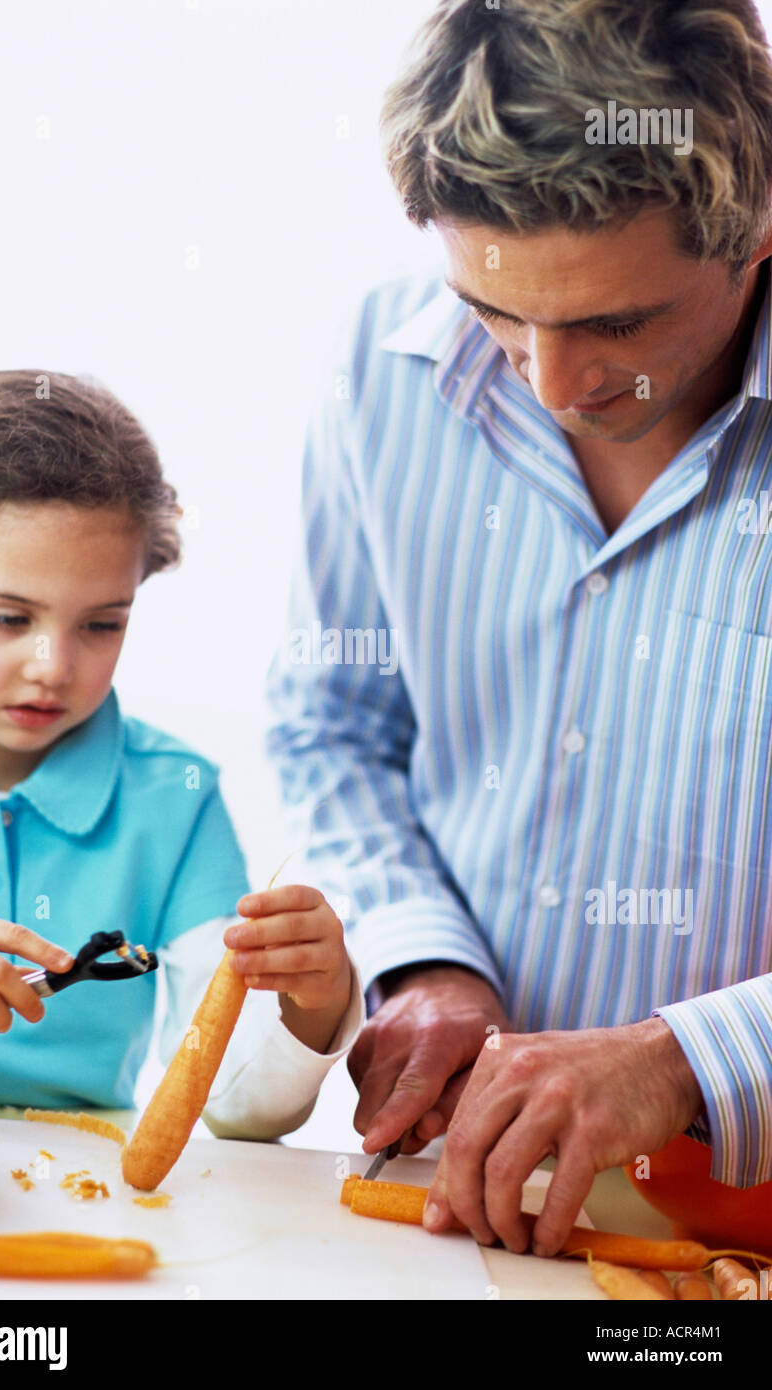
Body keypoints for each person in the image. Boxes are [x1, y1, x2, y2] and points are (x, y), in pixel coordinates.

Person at [264, 0, 772, 1252]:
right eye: (492, 309)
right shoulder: (379, 370)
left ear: (755, 230)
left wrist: (684, 1061)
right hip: (453, 1214)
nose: (548, 385)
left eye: (615, 323)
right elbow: (332, 726)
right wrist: (423, 961)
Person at [0, 369, 363, 1137]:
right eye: (8, 617)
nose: (53, 665)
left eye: (101, 625)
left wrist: (312, 1003)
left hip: (86, 1187)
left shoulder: (176, 799)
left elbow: (230, 1101)